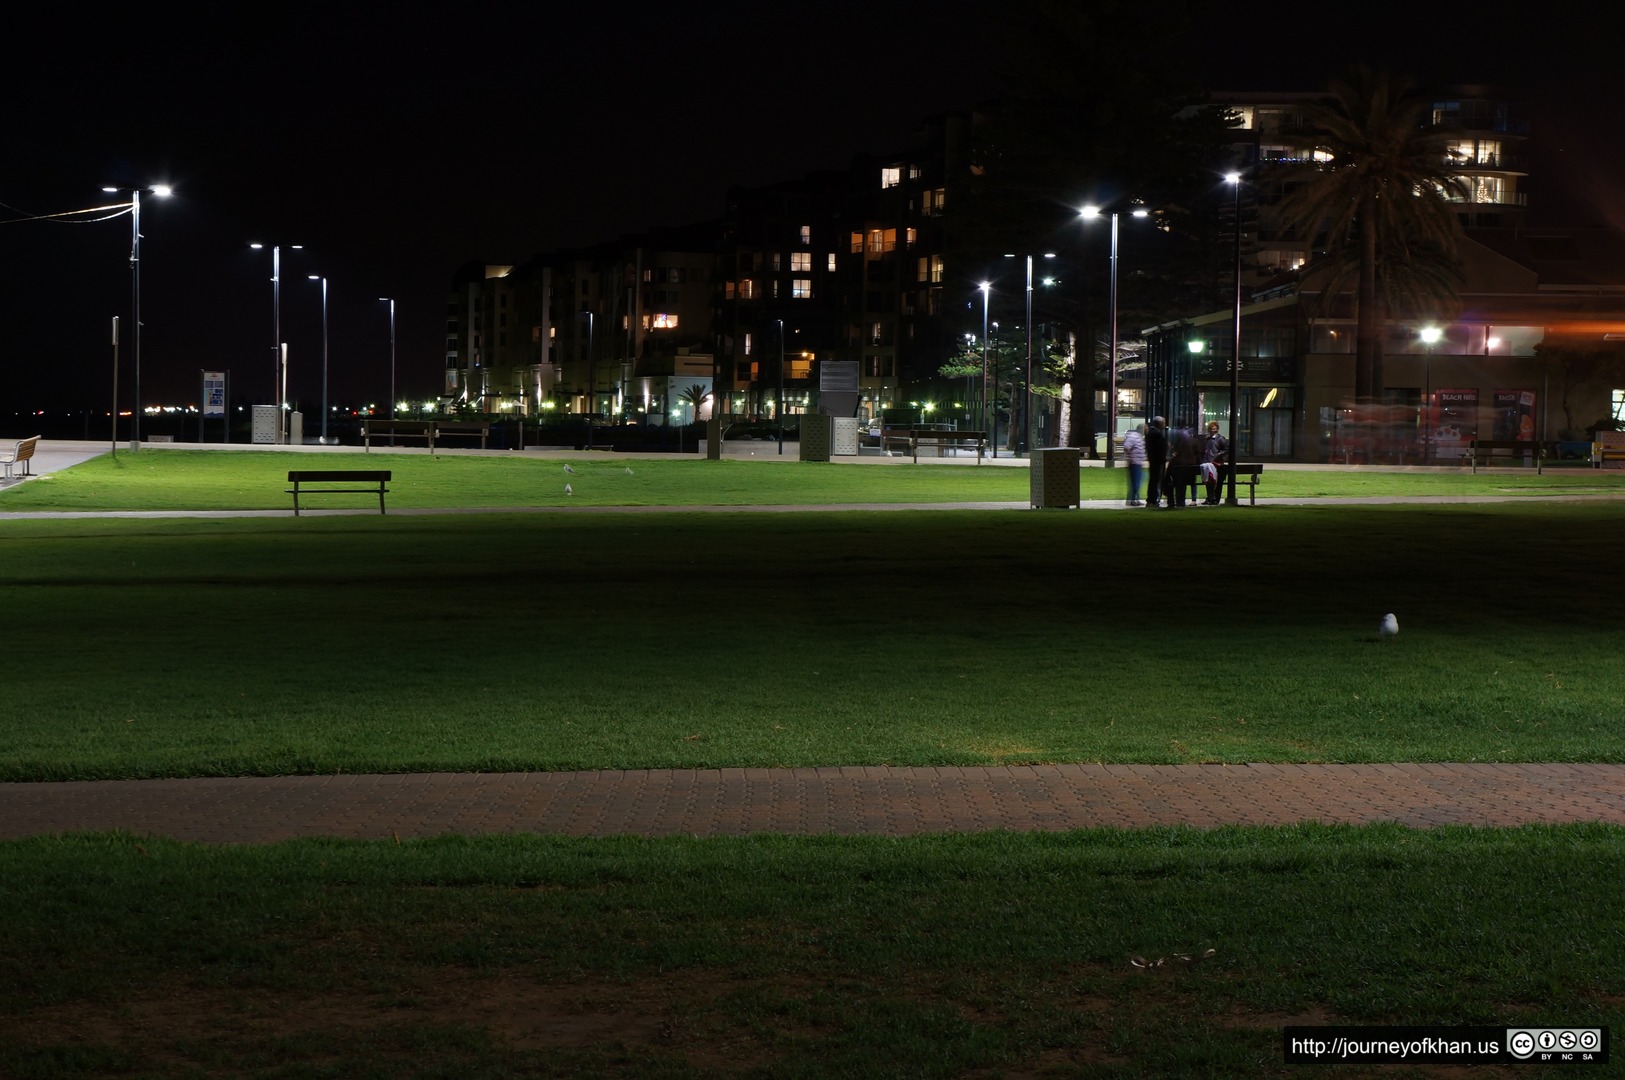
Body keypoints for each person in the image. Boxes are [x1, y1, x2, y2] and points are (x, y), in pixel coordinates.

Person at [1201, 420, 1229, 505]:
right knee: (1209, 481)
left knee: (1214, 481)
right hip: (1208, 462)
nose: (1214, 430)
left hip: (1217, 463)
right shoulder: (1207, 438)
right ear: (1209, 429)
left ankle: (1214, 498)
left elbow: (1226, 449)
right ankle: (1210, 498)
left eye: (1215, 429)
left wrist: (1218, 454)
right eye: (1212, 429)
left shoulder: (1220, 438)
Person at [1144, 416, 1168, 508]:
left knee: (1153, 480)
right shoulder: (1157, 434)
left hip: (1153, 460)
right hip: (1157, 461)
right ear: (1159, 424)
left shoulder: (1151, 433)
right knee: (1156, 480)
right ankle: (1153, 500)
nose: (1164, 425)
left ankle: (1151, 499)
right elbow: (1161, 447)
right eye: (1163, 423)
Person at [1122, 423, 1146, 506]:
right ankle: (1132, 500)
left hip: (1137, 463)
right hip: (1134, 463)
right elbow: (1126, 446)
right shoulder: (1134, 436)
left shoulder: (1138, 436)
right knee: (1135, 483)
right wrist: (1130, 458)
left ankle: (1135, 498)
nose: (1146, 430)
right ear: (1141, 429)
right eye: (1145, 428)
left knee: (1137, 482)